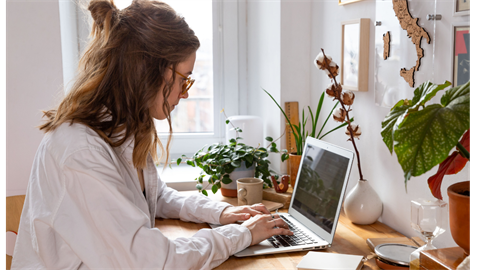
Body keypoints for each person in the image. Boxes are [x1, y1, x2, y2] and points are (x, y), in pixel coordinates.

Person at [11, 0, 293, 269]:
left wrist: (220, 213)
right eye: (184, 79)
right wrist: (241, 235)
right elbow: (154, 262)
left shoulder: (123, 128)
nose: (184, 94)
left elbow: (154, 197)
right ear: (148, 71)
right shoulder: (80, 151)